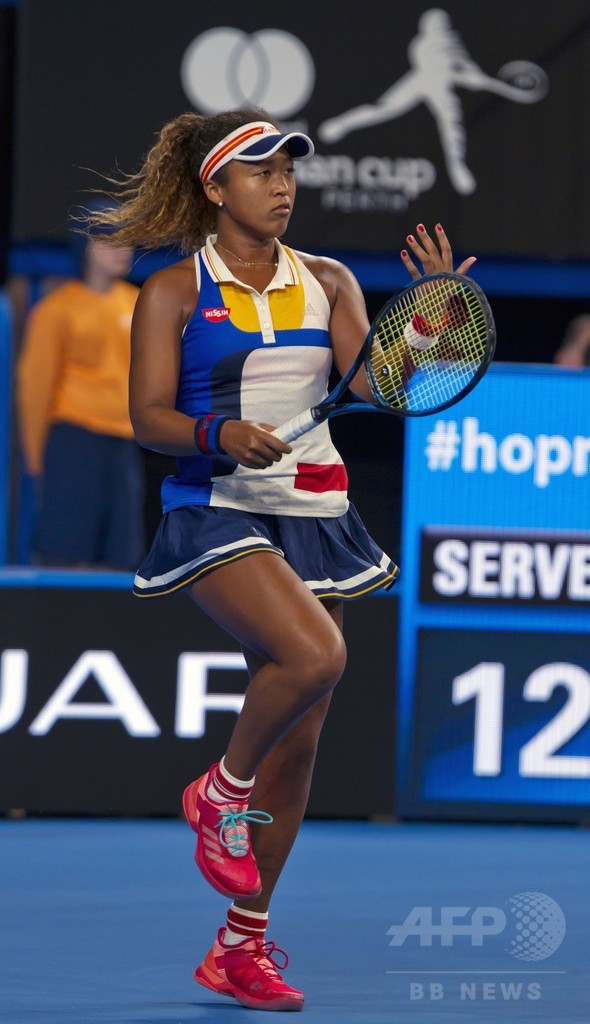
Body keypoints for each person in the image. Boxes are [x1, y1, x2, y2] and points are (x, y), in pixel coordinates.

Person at [86, 109, 476, 1011]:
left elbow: (372, 387)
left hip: (315, 513)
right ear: (216, 188)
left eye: (288, 171)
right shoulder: (173, 292)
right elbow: (147, 417)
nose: (282, 185)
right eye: (260, 171)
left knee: (299, 748)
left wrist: (424, 325)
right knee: (317, 655)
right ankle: (219, 791)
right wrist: (218, 432)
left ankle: (241, 946)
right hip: (217, 506)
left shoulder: (329, 279)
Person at [15, 202, 145, 569]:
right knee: (67, 548)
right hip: (74, 439)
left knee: (123, 553)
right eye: (111, 240)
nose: (123, 249)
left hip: (124, 442)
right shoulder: (57, 310)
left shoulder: (139, 304)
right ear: (87, 246)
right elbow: (35, 387)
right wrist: (36, 460)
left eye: (128, 239)